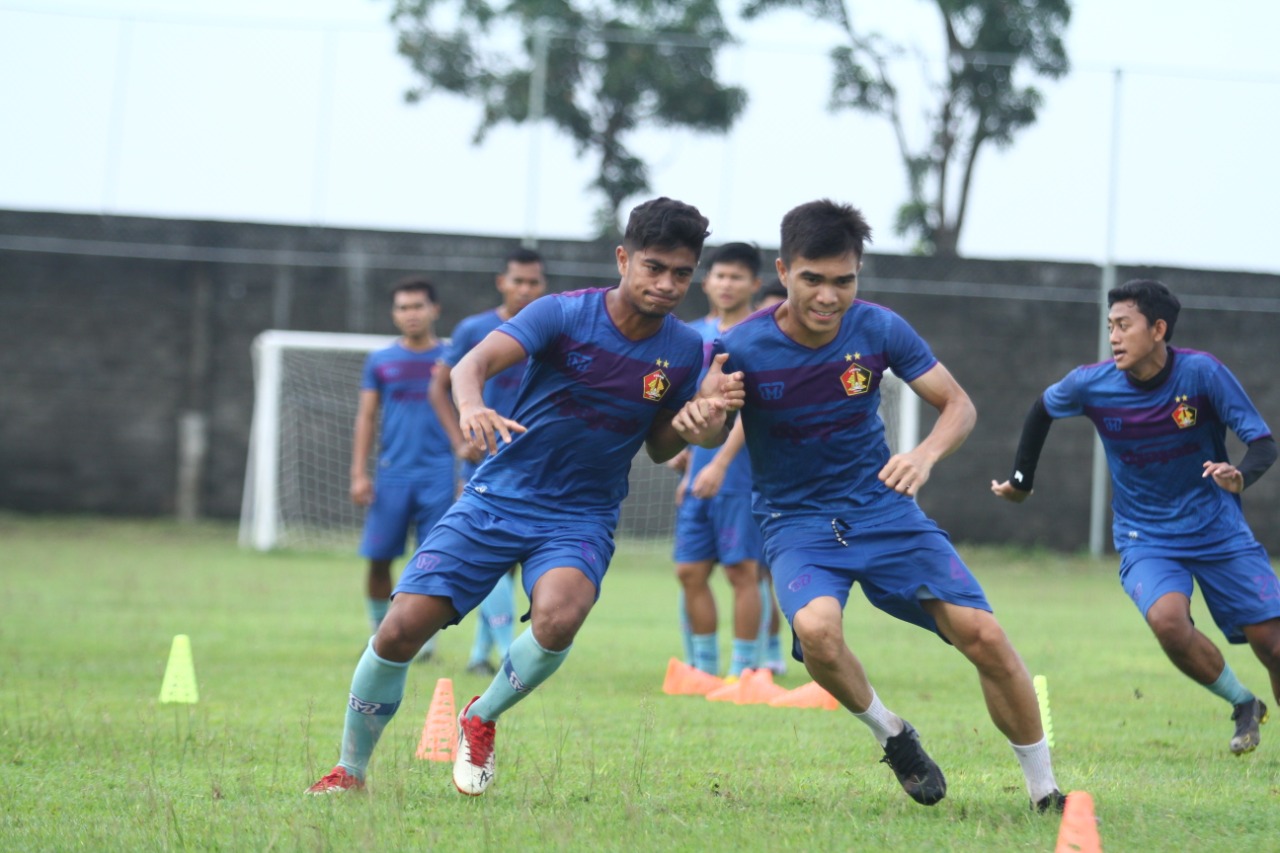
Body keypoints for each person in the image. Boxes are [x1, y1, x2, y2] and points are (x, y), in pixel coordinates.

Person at [307, 196, 745, 796]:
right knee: (400, 630)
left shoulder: (687, 352)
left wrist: (705, 423)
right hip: (499, 497)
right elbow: (469, 365)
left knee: (561, 617)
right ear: (623, 259)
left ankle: (480, 717)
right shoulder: (561, 314)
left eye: (681, 273)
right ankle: (348, 772)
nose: (667, 284)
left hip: (581, 513)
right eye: (653, 267)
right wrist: (473, 407)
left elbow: (661, 445)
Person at [718, 199, 1063, 811]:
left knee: (983, 635)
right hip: (795, 523)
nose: (829, 296)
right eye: (813, 280)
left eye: (843, 280)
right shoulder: (740, 345)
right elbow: (698, 427)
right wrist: (703, 415)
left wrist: (925, 455)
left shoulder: (878, 328)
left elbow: (958, 405)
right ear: (783, 270)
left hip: (884, 512)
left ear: (858, 275)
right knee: (817, 632)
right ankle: (894, 735)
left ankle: (1045, 792)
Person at [992, 278, 1280, 755]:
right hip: (1146, 535)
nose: (1114, 336)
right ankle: (1242, 702)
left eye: (1125, 325)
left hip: (1217, 529)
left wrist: (1240, 476)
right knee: (1168, 622)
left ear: (1159, 329)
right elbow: (1041, 409)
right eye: (1111, 326)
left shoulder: (1203, 374)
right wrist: (1021, 482)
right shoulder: (1093, 382)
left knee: (1271, 643)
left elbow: (1263, 443)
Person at [429, 247, 548, 676]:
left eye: (533, 282)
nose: (525, 289)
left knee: (512, 563)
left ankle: (480, 654)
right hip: (485, 462)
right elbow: (439, 388)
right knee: (489, 555)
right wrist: (460, 435)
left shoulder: (551, 329)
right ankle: (502, 651)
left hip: (537, 464)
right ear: (502, 282)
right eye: (518, 281)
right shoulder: (475, 329)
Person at [673, 242, 764, 678]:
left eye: (737, 277)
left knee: (742, 570)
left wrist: (720, 463)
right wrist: (686, 459)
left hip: (741, 473)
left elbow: (753, 410)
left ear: (754, 284)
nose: (727, 284)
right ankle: (705, 672)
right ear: (705, 281)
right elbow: (686, 403)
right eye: (720, 276)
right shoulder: (690, 334)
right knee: (690, 571)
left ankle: (745, 671)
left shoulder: (761, 335)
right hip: (698, 474)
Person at [349, 277, 454, 648]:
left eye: (418, 306)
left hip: (441, 474)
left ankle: (422, 639)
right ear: (395, 314)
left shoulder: (452, 358)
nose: (411, 314)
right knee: (379, 559)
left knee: (432, 562)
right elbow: (366, 416)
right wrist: (359, 472)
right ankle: (379, 632)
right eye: (403, 307)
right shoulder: (381, 361)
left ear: (434, 310)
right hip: (392, 474)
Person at [750, 278, 789, 674]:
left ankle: (774, 650)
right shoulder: (745, 353)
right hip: (737, 486)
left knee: (768, 572)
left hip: (782, 490)